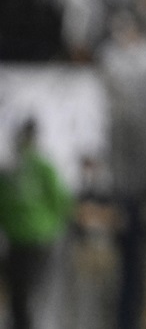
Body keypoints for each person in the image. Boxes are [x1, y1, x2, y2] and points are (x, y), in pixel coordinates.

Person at [0, 118, 75, 329]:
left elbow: (61, 201)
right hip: (17, 240)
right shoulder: (10, 170)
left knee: (24, 296)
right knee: (17, 296)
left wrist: (48, 227)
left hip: (35, 241)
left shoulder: (41, 167)